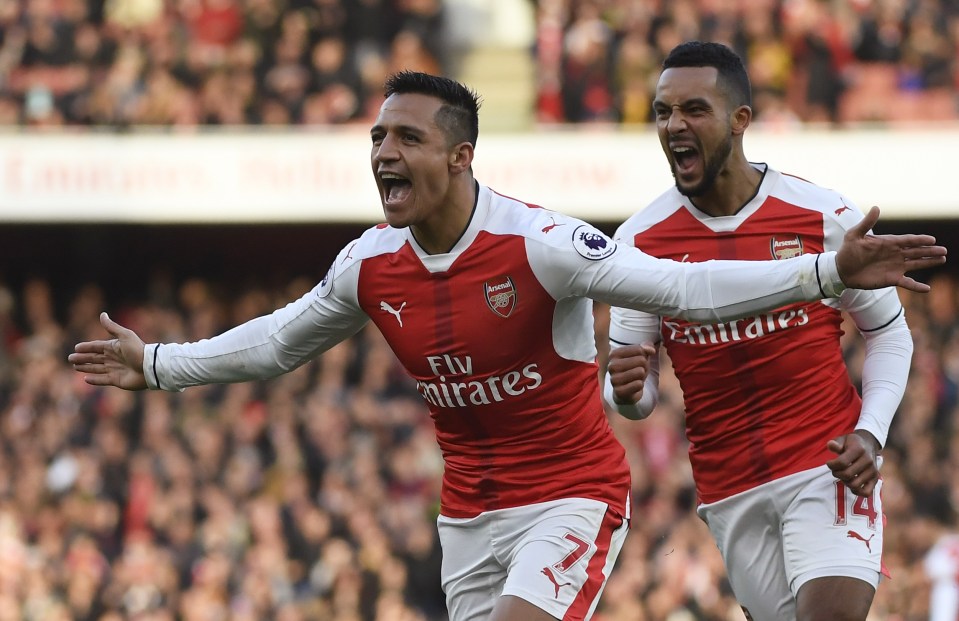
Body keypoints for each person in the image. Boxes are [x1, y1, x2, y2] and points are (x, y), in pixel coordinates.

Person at [69, 70, 945, 621]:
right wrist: (156, 364)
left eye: (406, 137)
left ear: (459, 158)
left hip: (571, 498)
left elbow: (683, 289)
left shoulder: (544, 243)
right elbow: (275, 345)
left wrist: (823, 274)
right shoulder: (368, 264)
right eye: (376, 135)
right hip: (468, 518)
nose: (383, 151)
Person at [603, 41, 923, 621]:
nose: (675, 125)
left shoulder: (821, 217)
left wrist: (871, 434)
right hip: (731, 488)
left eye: (694, 109)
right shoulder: (638, 243)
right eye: (663, 111)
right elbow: (636, 394)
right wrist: (625, 390)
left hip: (825, 465)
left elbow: (891, 334)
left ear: (740, 120)